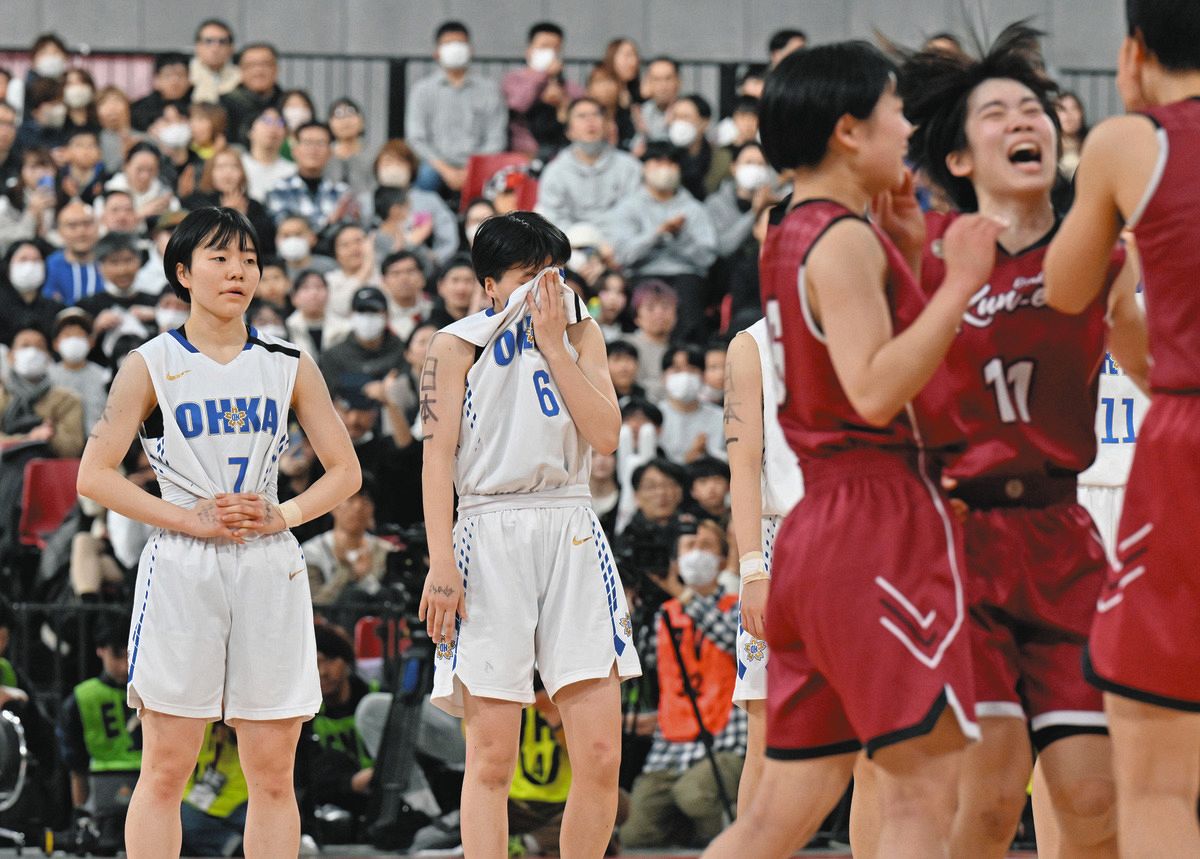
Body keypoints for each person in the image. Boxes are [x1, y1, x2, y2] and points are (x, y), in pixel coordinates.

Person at [702, 42, 1005, 858]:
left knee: (777, 810)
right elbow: (874, 389)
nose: (907, 126)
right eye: (894, 111)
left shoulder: (794, 232)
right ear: (847, 130)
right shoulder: (840, 239)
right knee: (920, 787)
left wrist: (906, 255)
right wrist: (955, 281)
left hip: (816, 528)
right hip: (876, 520)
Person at [900, 23, 1151, 857]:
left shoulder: (1102, 259)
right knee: (991, 791)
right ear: (960, 159)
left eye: (1034, 107)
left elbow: (1165, 377)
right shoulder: (925, 258)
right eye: (997, 111)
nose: (1024, 120)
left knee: (1091, 795)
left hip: (1061, 535)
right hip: (959, 540)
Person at [75, 206, 361, 858]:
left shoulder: (289, 361)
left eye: (250, 259)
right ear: (182, 271)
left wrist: (283, 513)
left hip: (268, 559)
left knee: (273, 771)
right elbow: (94, 475)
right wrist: (187, 517)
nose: (238, 271)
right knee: (168, 766)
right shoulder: (148, 363)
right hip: (182, 563)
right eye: (220, 257)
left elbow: (345, 471)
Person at [419, 211, 640, 856]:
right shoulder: (453, 345)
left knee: (600, 753)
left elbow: (605, 436)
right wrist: (441, 565)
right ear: (490, 285)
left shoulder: (581, 332)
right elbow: (436, 465)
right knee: (492, 758)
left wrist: (553, 345)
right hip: (486, 528)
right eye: (530, 273)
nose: (548, 286)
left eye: (556, 271)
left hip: (570, 522)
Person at [1043, 2, 1200, 854]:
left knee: (1157, 775)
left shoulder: (1129, 142)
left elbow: (1071, 292)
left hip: (1185, 433)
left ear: (1133, 54)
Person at [722, 316, 804, 824]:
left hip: (860, 537)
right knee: (768, 731)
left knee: (876, 743)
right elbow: (743, 465)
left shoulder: (875, 316)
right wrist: (753, 569)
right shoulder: (751, 344)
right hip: (785, 543)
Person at [622, 518, 745, 848]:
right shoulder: (664, 613)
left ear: (722, 559)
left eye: (706, 546)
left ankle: (732, 844)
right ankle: (688, 832)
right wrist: (633, 605)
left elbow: (727, 639)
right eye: (689, 547)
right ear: (674, 561)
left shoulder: (739, 605)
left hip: (726, 741)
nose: (697, 554)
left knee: (694, 794)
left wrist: (680, 591)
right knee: (635, 835)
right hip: (671, 744)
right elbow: (639, 660)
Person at [601, 141, 717, 344]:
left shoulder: (694, 209)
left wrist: (679, 238)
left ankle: (687, 356)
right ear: (645, 167)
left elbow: (707, 257)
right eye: (658, 162)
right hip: (642, 274)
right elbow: (622, 255)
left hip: (685, 276)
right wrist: (657, 234)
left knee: (690, 297)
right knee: (642, 295)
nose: (665, 168)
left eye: (671, 163)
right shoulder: (628, 207)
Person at [57, 614, 141, 836]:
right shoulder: (82, 697)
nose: (124, 666)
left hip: (150, 784)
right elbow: (75, 764)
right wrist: (80, 814)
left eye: (131, 655)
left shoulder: (155, 692)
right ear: (100, 650)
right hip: (102, 792)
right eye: (117, 655)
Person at [405, 21, 507, 196]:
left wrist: (471, 169)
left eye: (460, 44)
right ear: (437, 52)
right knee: (425, 177)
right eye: (448, 44)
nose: (455, 49)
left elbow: (496, 139)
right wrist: (446, 170)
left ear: (471, 49)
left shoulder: (490, 90)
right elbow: (416, 139)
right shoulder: (422, 91)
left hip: (480, 164)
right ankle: (422, 222)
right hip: (436, 166)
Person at [536, 97, 643, 233]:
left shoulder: (630, 167)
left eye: (596, 115)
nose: (590, 121)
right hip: (572, 245)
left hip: (620, 242)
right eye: (582, 116)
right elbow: (554, 218)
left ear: (606, 126)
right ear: (569, 131)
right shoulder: (554, 172)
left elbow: (634, 212)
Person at [502, 22, 585, 159]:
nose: (550, 53)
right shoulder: (514, 78)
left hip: (561, 154)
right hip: (522, 153)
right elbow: (517, 105)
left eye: (556, 48)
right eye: (544, 47)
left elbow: (582, 106)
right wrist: (542, 76)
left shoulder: (568, 86)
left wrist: (563, 101)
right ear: (529, 50)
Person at [266, 121, 352, 233]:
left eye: (320, 143)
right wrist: (329, 223)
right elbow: (286, 231)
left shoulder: (342, 192)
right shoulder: (279, 189)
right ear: (294, 150)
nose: (313, 149)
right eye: (307, 142)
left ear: (330, 152)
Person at [659, 346, 726, 464]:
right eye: (677, 370)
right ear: (663, 376)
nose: (685, 376)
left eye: (692, 370)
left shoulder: (721, 417)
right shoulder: (655, 416)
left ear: (703, 376)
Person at [49, 308, 111, 433]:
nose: (73, 339)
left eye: (79, 334)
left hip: (98, 445)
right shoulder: (47, 377)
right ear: (55, 343)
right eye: (67, 335)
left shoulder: (104, 376)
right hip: (59, 448)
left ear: (91, 342)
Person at [219, 43, 284, 146]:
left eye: (265, 64)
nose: (259, 71)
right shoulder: (224, 103)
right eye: (251, 65)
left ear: (276, 69)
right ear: (240, 70)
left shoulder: (287, 103)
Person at [43, 198, 103, 306]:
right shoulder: (50, 266)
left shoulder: (111, 262)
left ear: (98, 227)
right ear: (60, 231)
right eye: (72, 226)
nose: (81, 232)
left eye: (87, 224)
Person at [0, 240, 60, 345]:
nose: (30, 266)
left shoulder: (54, 308)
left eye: (36, 260)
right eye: (23, 259)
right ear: (8, 265)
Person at [240, 106, 295, 203]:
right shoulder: (238, 166)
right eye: (267, 121)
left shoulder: (293, 171)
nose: (273, 128)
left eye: (279, 123)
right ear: (250, 131)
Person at [131, 54, 192, 132]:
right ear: (156, 80)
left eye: (180, 75)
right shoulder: (139, 109)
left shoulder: (198, 106)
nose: (174, 81)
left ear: (189, 79)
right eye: (168, 75)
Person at [190, 19, 241, 106]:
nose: (215, 48)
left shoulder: (241, 78)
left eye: (222, 42)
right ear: (197, 46)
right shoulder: (185, 76)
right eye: (208, 41)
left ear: (231, 48)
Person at [639, 57, 680, 142]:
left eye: (668, 78)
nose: (663, 86)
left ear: (678, 81)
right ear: (648, 82)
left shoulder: (688, 111)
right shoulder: (642, 112)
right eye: (656, 79)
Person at [1055, 91, 1088, 181]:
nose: (1069, 115)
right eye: (1062, 109)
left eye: (1074, 109)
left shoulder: (1092, 146)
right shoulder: (1048, 149)